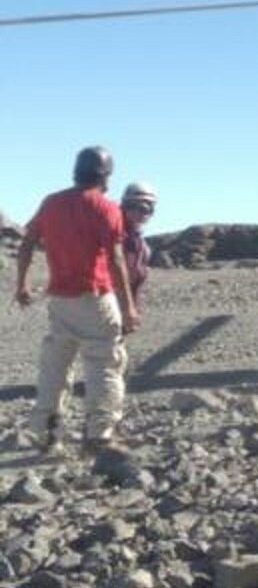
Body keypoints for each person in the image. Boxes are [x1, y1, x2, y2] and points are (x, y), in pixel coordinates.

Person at [14, 146, 140, 455]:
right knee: (104, 364)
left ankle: (47, 432)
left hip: (59, 299)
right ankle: (99, 435)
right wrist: (129, 307)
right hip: (95, 297)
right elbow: (115, 259)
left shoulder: (52, 203)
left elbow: (27, 243)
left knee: (56, 365)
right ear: (106, 176)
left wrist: (22, 285)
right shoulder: (106, 208)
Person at [120, 182, 158, 303]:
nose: (144, 213)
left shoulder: (138, 240)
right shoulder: (118, 235)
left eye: (149, 208)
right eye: (138, 207)